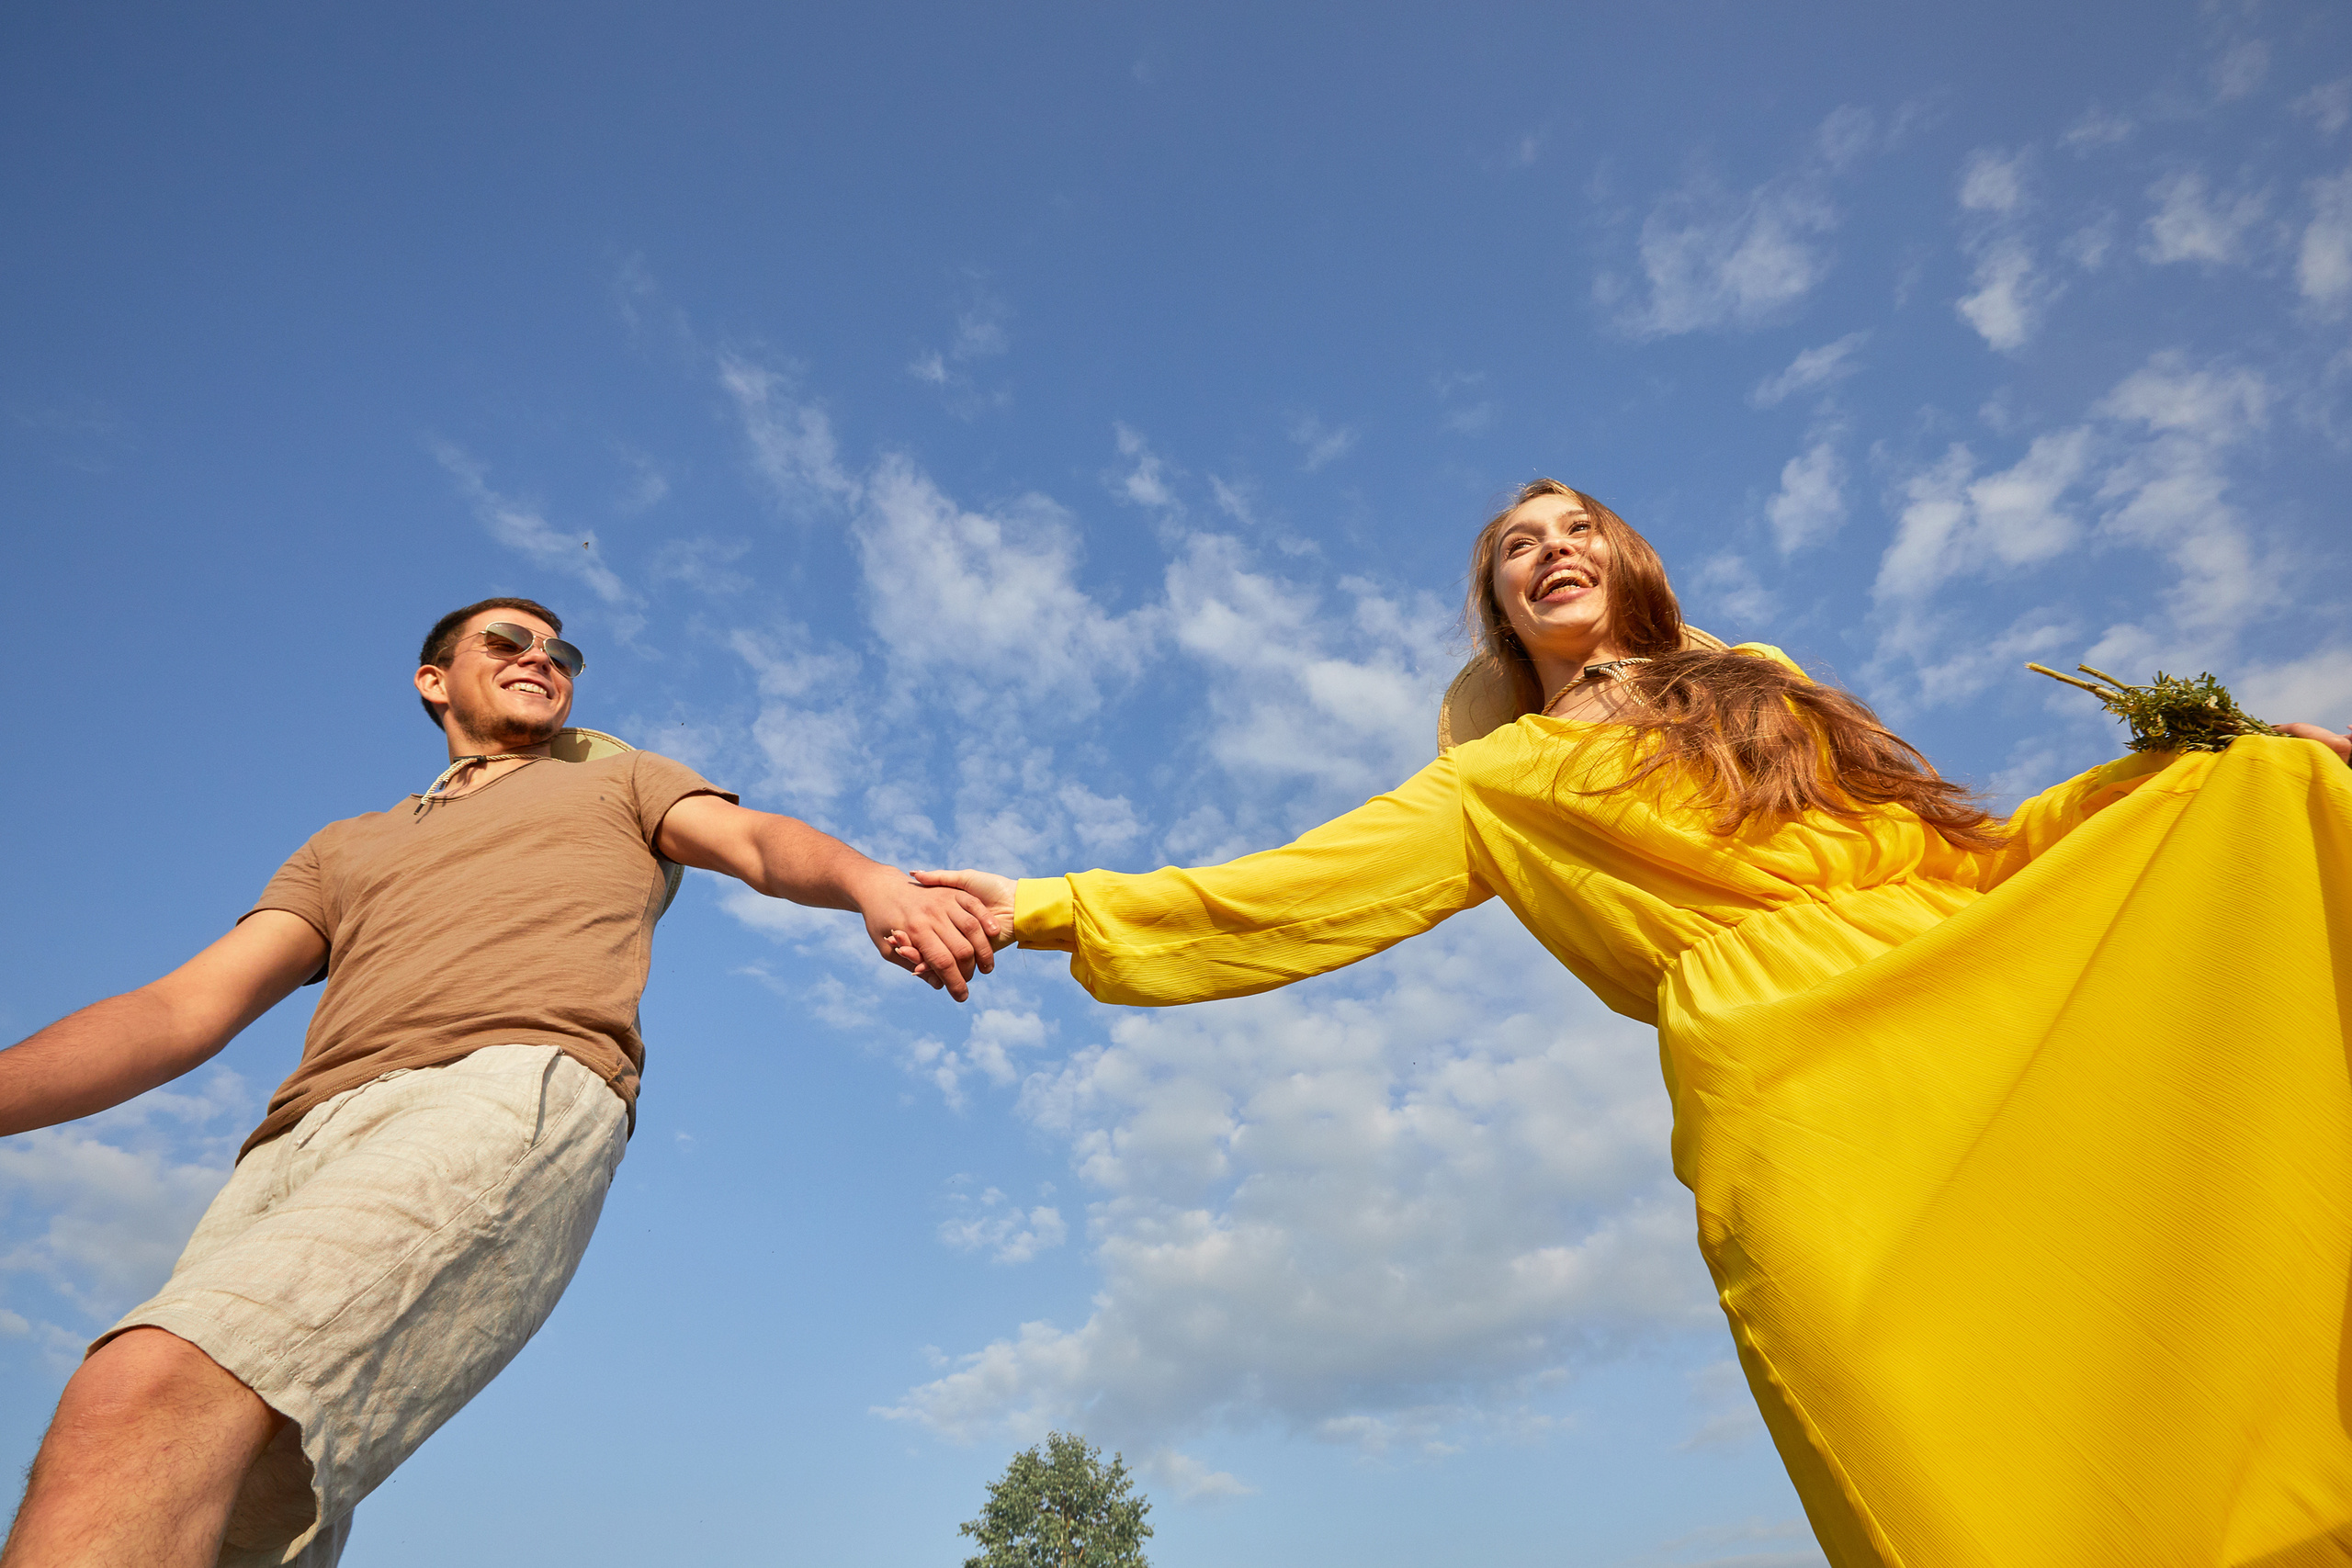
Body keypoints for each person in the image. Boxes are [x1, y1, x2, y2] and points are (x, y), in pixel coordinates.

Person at [910, 479, 2352, 1568]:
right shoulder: (1495, 783)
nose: (1548, 548)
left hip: (1960, 984)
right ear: (1499, 607)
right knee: (1912, 1425)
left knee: (2138, 1304)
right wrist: (1042, 901)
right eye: (1514, 547)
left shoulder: (1762, 687)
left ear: (1623, 555)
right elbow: (1281, 893)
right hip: (1791, 1080)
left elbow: (1959, 844)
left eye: (1572, 526)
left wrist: (2186, 777)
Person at [0, 596, 998, 1568]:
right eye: (510, 640)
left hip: (501, 1088)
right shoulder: (344, 846)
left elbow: (755, 843)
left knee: (141, 1387)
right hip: (286, 1154)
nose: (543, 658)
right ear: (432, 682)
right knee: (214, 1501)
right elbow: (185, 1010)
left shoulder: (620, 784)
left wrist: (873, 882)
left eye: (564, 653)